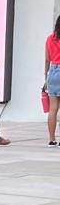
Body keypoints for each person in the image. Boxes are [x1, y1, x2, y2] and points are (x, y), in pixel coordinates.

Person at [44, 15, 60, 145]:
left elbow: (47, 60)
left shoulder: (50, 38)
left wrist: (46, 77)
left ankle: (51, 139)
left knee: (53, 108)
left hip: (53, 72)